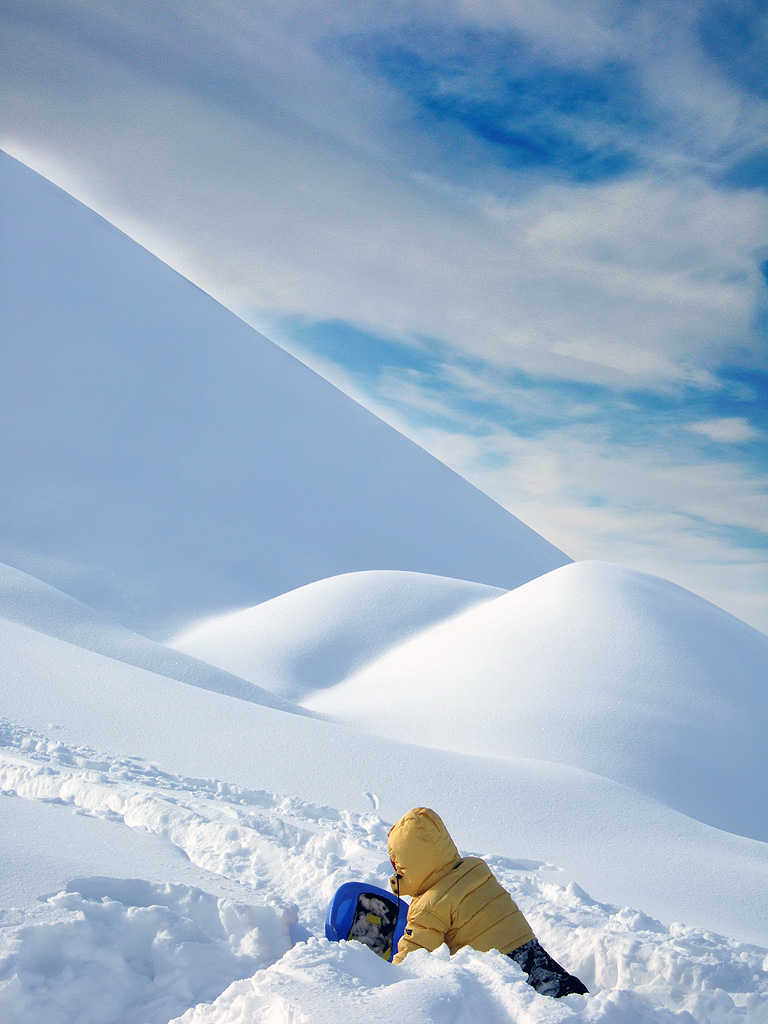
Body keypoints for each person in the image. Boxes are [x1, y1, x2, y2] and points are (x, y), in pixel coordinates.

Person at [387, 807, 588, 998]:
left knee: (532, 1004)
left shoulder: (428, 905)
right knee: (565, 992)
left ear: (407, 866)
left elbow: (413, 960)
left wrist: (386, 980)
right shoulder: (475, 869)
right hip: (529, 946)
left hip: (501, 966)